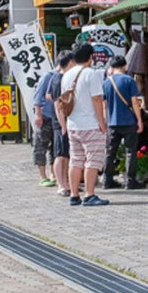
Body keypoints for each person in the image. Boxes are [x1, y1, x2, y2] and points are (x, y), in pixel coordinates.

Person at [57, 43, 108, 207]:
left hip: (73, 124)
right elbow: (97, 99)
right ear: (90, 57)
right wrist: (102, 121)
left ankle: (74, 195)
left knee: (76, 160)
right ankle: (89, 194)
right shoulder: (90, 74)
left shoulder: (66, 75)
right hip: (90, 124)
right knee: (93, 160)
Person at [102, 55, 145, 190]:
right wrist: (139, 120)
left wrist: (105, 120)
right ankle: (130, 181)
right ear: (124, 66)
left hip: (112, 122)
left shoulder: (106, 82)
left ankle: (107, 180)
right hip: (129, 121)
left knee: (110, 152)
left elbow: (104, 105)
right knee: (130, 151)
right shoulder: (129, 81)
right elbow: (134, 102)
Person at [32, 51, 72, 189]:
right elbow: (37, 98)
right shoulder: (48, 77)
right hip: (45, 116)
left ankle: (53, 175)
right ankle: (43, 176)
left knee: (55, 148)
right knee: (40, 145)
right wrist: (38, 115)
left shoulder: (66, 77)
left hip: (57, 117)